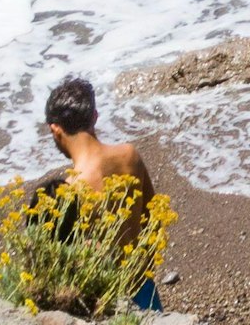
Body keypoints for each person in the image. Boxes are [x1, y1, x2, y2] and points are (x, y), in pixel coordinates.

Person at [34, 74, 163, 305]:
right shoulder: (129, 156)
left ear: (55, 130)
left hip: (107, 296)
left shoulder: (70, 189)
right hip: (143, 286)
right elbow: (153, 219)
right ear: (94, 116)